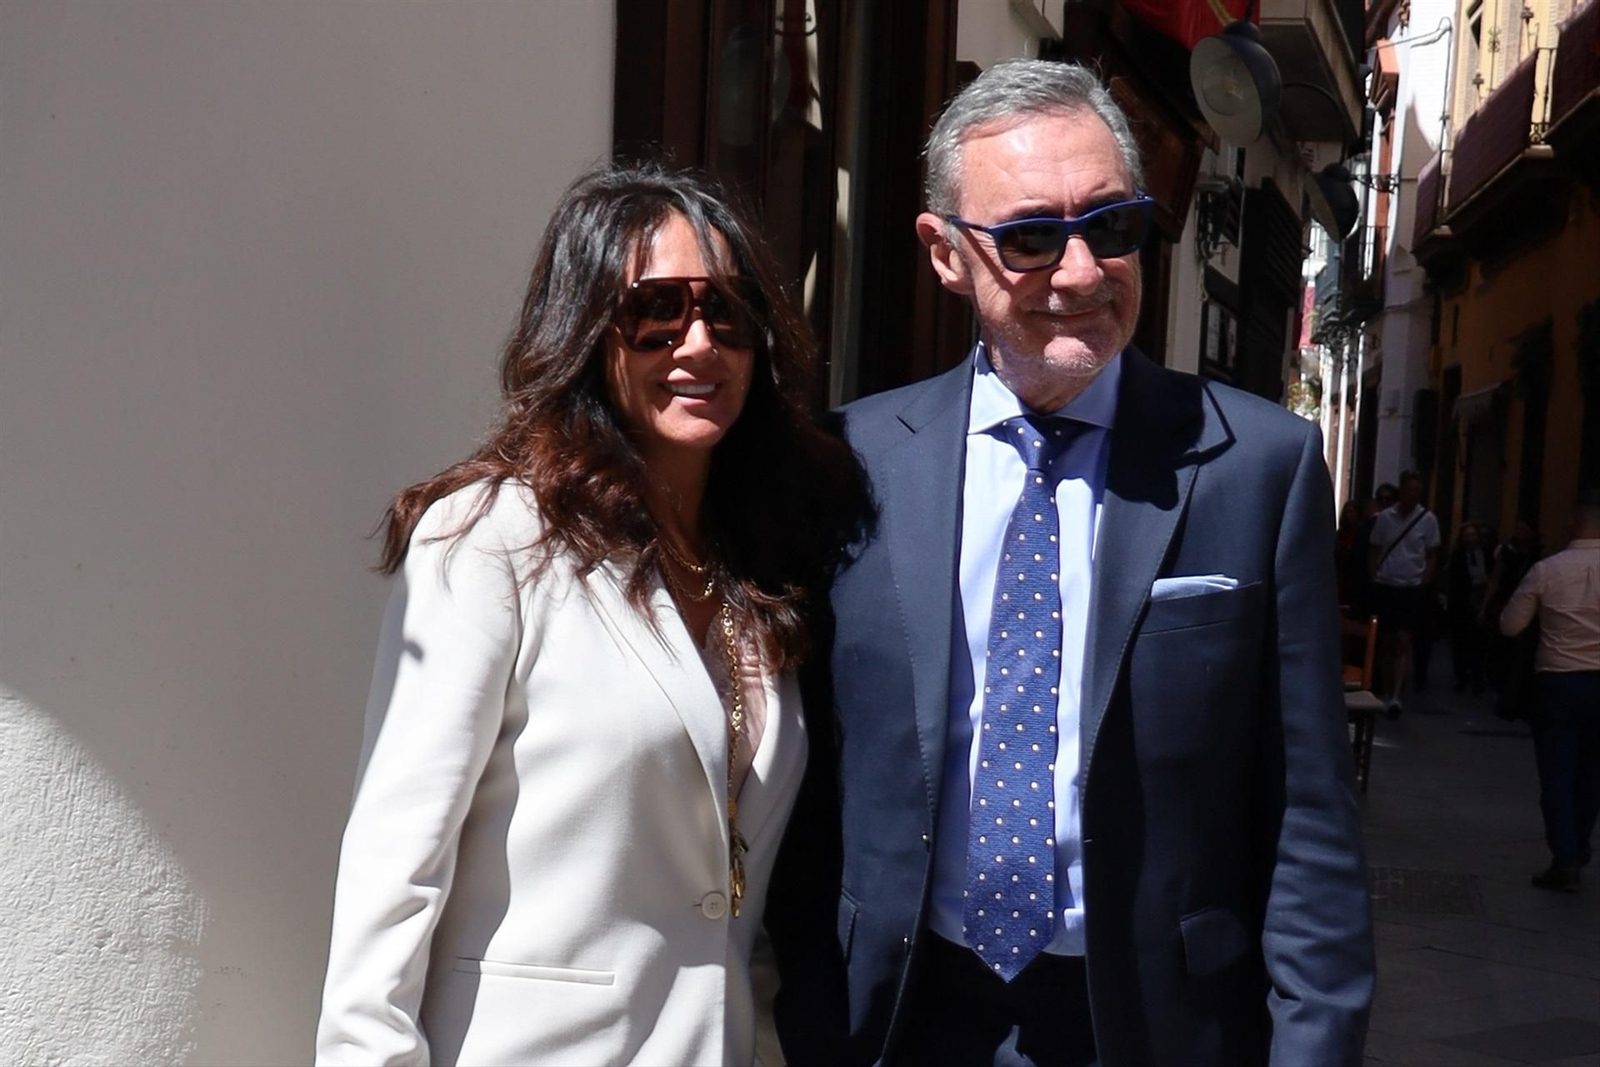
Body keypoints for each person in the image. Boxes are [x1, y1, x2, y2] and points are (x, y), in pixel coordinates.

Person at [767, 59, 1374, 1067]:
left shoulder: (1257, 468)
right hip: (903, 1016)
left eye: (1112, 225)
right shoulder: (851, 462)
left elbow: (1307, 811)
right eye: (1031, 236)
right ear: (945, 255)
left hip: (1155, 1020)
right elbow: (813, 776)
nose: (1082, 271)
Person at [315, 163, 862, 1065]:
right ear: (585, 331)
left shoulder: (761, 565)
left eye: (729, 312)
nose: (698, 344)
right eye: (657, 311)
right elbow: (395, 854)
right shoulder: (494, 536)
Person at [1499, 492, 1600, 892]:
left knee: (1556, 774)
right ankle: (1578, 846)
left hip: (1558, 680)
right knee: (1592, 775)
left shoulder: (1547, 570)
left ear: (1572, 524)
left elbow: (1510, 625)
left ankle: (1565, 857)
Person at [1367, 471, 1441, 717]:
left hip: (1411, 587)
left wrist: (1423, 582)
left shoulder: (1427, 520)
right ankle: (1388, 690)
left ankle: (1396, 695)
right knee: (1386, 641)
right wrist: (1375, 576)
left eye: (1417, 492)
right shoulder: (1385, 518)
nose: (1412, 496)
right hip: (1387, 585)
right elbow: (1375, 548)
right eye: (1409, 490)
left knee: (1403, 640)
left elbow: (1431, 553)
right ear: (1402, 490)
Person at [1445, 521, 1491, 693]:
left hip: (1480, 598)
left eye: (1472, 535)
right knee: (1461, 642)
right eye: (1466, 535)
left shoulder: (1486, 553)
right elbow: (1456, 579)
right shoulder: (1458, 555)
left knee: (1478, 642)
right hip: (1463, 601)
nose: (1470, 539)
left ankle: (1477, 678)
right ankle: (1461, 677)